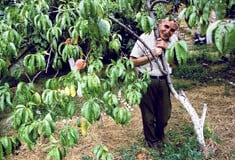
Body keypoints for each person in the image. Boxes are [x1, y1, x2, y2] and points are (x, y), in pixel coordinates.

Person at [129, 17, 178, 148]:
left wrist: (167, 47)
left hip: (164, 80)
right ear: (160, 23)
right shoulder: (145, 36)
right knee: (148, 114)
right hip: (146, 80)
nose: (168, 31)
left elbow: (176, 63)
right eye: (166, 27)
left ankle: (160, 134)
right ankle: (152, 141)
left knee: (164, 113)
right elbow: (132, 61)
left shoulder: (174, 41)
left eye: (172, 30)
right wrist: (152, 55)